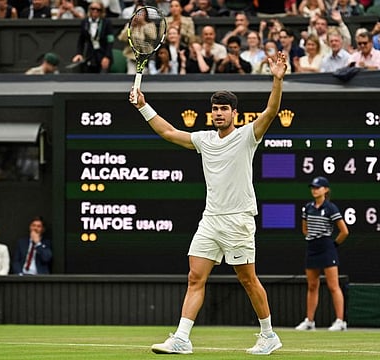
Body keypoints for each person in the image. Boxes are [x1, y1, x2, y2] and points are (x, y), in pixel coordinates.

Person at [129, 48, 288, 356]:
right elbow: (169, 132)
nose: (218, 113)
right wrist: (143, 107)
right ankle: (181, 338)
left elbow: (270, 112)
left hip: (239, 219)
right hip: (210, 220)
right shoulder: (203, 140)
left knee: (247, 279)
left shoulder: (246, 136)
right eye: (215, 109)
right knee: (194, 277)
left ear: (234, 114)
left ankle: (268, 335)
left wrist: (277, 81)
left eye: (224, 109)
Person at [295, 176, 349, 331]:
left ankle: (340, 321)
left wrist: (333, 245)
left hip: (327, 248)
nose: (314, 190)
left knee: (333, 286)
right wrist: (311, 237)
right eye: (313, 187)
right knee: (312, 286)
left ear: (326, 190)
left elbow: (344, 231)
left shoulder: (331, 208)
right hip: (312, 248)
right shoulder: (307, 207)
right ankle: (310, 322)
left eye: (317, 187)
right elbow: (305, 229)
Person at [71, 1, 114, 73]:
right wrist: (79, 53)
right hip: (90, 55)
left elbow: (110, 41)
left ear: (101, 11)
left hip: (103, 55)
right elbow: (81, 40)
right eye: (93, 9)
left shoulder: (106, 23)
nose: (95, 11)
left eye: (98, 10)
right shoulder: (85, 22)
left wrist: (107, 57)